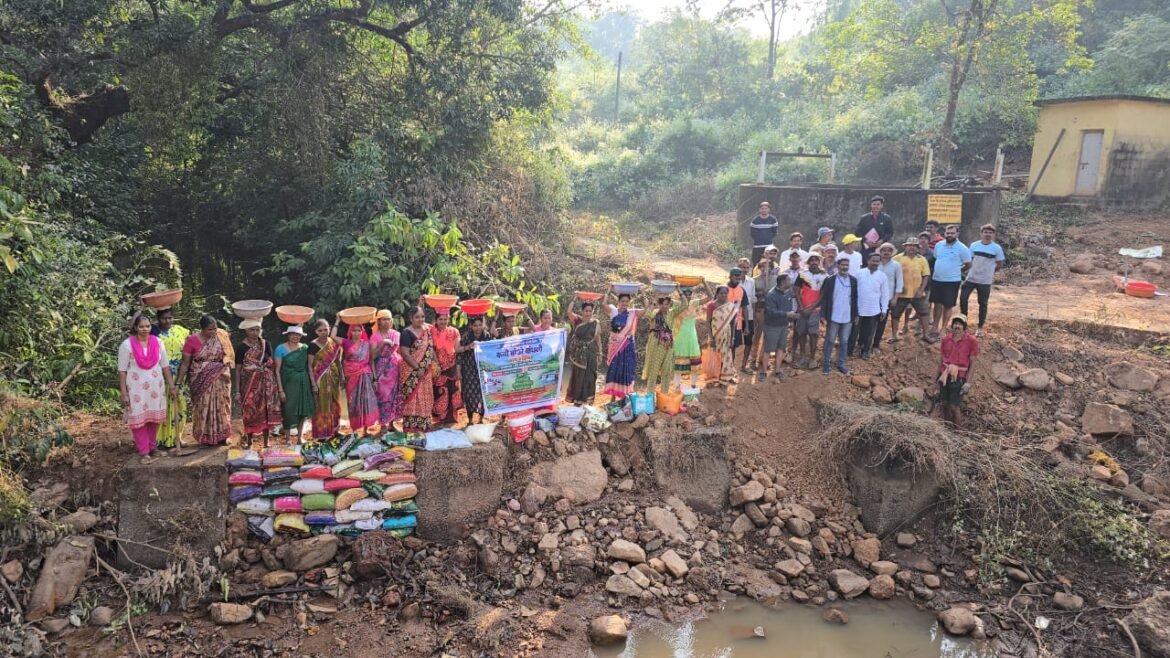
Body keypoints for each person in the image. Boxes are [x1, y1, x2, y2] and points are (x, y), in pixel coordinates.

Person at [119, 312, 175, 464]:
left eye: (148, 326)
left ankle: (153, 447)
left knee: (154, 418)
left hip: (156, 388)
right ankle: (144, 451)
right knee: (139, 419)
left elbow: (165, 366)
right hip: (136, 389)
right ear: (136, 328)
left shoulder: (158, 342)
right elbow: (122, 371)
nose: (145, 329)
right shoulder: (127, 345)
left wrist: (172, 386)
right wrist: (124, 394)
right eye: (141, 326)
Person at [177, 315, 234, 447]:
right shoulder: (191, 341)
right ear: (202, 329)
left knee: (222, 405)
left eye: (215, 329)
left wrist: (221, 365)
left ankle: (224, 435)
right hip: (199, 377)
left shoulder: (221, 336)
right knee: (203, 407)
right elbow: (185, 364)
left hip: (220, 376)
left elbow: (229, 355)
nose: (213, 332)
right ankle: (204, 437)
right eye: (209, 330)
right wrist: (178, 382)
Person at [234, 319, 281, 447]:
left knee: (266, 411)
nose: (255, 333)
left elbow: (271, 363)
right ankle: (249, 441)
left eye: (257, 330)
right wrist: (237, 391)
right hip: (248, 385)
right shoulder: (241, 347)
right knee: (249, 412)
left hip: (266, 384)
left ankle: (266, 441)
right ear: (246, 331)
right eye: (252, 330)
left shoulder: (265, 344)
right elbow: (238, 370)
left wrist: (266, 367)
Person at [932, 314, 978, 427]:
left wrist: (967, 382)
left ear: (964, 326)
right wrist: (935, 381)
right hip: (945, 374)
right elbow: (941, 361)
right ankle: (947, 430)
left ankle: (958, 431)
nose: (957, 326)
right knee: (946, 404)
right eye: (955, 323)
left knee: (954, 406)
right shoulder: (946, 339)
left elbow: (973, 363)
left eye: (960, 324)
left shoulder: (971, 341)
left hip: (959, 376)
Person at [153, 307, 188, 450]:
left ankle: (177, 437)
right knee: (161, 406)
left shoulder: (181, 331)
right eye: (164, 318)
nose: (167, 321)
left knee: (180, 405)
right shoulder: (153, 333)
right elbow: (132, 328)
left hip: (179, 374)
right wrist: (141, 308)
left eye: (170, 318)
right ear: (158, 319)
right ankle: (159, 439)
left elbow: (187, 352)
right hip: (159, 375)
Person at [960, 224, 1005, 337]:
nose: (988, 234)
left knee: (983, 304)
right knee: (963, 298)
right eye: (985, 232)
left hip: (985, 281)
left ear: (993, 234)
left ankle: (980, 327)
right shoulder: (974, 245)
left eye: (990, 232)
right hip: (971, 278)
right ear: (981, 233)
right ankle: (963, 322)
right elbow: (968, 260)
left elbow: (999, 264)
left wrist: (989, 272)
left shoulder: (997, 248)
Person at [399, 306, 439, 433]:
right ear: (411, 318)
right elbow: (405, 353)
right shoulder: (406, 333)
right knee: (413, 398)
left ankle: (424, 425)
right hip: (411, 372)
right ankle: (411, 427)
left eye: (422, 316)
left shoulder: (426, 331)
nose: (420, 319)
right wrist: (417, 368)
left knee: (426, 396)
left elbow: (430, 348)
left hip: (425, 372)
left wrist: (436, 363)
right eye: (417, 317)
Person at [816, 257, 858, 375]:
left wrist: (856, 314)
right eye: (842, 265)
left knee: (844, 341)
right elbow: (824, 298)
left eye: (846, 265)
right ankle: (826, 364)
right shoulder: (830, 280)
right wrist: (823, 315)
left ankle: (841, 364)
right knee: (830, 340)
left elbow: (855, 298)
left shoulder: (853, 281)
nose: (844, 267)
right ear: (837, 266)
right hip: (833, 315)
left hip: (848, 316)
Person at [929, 224, 972, 341]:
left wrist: (956, 271)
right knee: (937, 304)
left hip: (952, 281)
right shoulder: (938, 245)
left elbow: (968, 264)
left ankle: (943, 328)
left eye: (952, 233)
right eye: (948, 233)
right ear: (944, 234)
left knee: (948, 305)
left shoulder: (962, 248)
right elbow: (936, 259)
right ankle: (934, 327)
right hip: (937, 279)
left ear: (957, 234)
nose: (950, 235)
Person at [337, 323, 379, 435]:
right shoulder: (346, 343)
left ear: (362, 332)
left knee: (366, 401)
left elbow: (371, 361)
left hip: (366, 375)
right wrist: (337, 321)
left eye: (358, 330)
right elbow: (332, 336)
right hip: (351, 376)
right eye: (354, 330)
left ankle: (365, 430)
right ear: (350, 332)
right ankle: (355, 430)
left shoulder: (367, 344)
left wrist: (375, 379)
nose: (356, 333)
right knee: (353, 403)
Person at [274, 325, 314, 441]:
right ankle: (287, 438)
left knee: (302, 410)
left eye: (298, 334)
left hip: (303, 382)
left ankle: (299, 437)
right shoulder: (280, 348)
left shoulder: (305, 348)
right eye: (292, 334)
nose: (295, 336)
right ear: (288, 335)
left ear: (301, 336)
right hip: (288, 383)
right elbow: (277, 370)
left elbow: (310, 365)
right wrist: (280, 390)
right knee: (288, 410)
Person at [307, 319, 344, 439]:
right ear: (316, 332)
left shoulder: (333, 343)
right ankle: (321, 433)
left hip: (334, 378)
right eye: (320, 330)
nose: (323, 332)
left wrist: (342, 376)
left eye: (326, 329)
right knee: (321, 405)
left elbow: (338, 361)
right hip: (320, 379)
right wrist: (313, 384)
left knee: (335, 403)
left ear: (330, 328)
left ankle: (335, 430)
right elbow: (310, 365)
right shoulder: (312, 345)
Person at [891, 238, 933, 342]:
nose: (912, 248)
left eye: (914, 246)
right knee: (895, 315)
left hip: (917, 293)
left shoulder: (922, 259)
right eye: (909, 245)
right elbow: (892, 275)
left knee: (924, 313)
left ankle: (926, 334)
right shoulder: (897, 259)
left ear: (918, 248)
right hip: (901, 293)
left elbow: (926, 276)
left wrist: (921, 290)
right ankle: (894, 336)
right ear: (905, 246)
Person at [853, 253, 890, 360]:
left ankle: (865, 351)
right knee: (856, 330)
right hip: (859, 309)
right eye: (873, 261)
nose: (875, 263)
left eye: (877, 261)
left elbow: (885, 294)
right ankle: (856, 347)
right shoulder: (859, 273)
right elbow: (853, 291)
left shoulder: (882, 276)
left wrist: (884, 310)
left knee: (870, 332)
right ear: (868, 261)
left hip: (873, 309)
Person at [603, 291, 641, 398]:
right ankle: (613, 396)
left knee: (626, 368)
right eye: (622, 301)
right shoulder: (613, 311)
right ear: (618, 302)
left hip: (627, 345)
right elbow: (603, 304)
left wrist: (642, 292)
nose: (624, 303)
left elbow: (646, 310)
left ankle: (624, 395)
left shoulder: (632, 313)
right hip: (615, 344)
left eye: (627, 301)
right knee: (614, 368)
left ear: (629, 302)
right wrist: (609, 290)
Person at [371, 310, 404, 428]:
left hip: (395, 367)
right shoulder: (375, 336)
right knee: (383, 395)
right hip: (381, 368)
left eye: (388, 319)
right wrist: (382, 343)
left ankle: (391, 423)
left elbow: (401, 351)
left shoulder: (396, 334)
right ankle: (383, 424)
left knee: (394, 394)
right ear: (378, 322)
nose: (386, 322)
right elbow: (373, 355)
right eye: (383, 319)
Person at [566, 297, 603, 404]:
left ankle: (588, 400)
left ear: (593, 312)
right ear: (582, 311)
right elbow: (569, 311)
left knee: (590, 376)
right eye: (586, 311)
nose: (588, 313)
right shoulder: (577, 320)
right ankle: (578, 400)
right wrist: (575, 297)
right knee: (579, 376)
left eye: (590, 311)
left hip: (591, 353)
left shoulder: (595, 323)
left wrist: (600, 353)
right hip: (579, 355)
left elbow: (598, 339)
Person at [793, 254, 827, 369]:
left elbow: (823, 294)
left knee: (813, 334)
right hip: (802, 310)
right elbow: (796, 291)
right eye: (811, 260)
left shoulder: (825, 276)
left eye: (816, 260)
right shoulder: (802, 275)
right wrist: (802, 307)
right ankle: (802, 357)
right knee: (801, 333)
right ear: (808, 262)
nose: (813, 262)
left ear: (819, 262)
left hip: (815, 310)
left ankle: (812, 358)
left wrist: (811, 307)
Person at [762, 274, 799, 382]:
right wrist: (788, 314)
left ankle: (777, 370)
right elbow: (771, 312)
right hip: (772, 326)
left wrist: (791, 319)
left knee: (781, 348)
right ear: (783, 283)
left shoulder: (788, 293)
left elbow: (789, 309)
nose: (790, 282)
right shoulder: (771, 295)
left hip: (783, 325)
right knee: (768, 349)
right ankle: (764, 371)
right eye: (788, 280)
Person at [670, 286, 706, 390]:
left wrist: (703, 283)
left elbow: (711, 296)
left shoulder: (694, 303)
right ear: (681, 295)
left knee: (694, 361)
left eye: (689, 293)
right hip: (679, 337)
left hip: (691, 336)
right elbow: (661, 298)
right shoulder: (676, 304)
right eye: (685, 293)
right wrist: (675, 288)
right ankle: (677, 386)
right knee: (678, 361)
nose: (688, 295)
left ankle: (693, 386)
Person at [457, 315, 492, 424]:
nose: (477, 328)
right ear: (471, 326)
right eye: (475, 325)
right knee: (469, 395)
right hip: (468, 371)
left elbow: (492, 351)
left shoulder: (486, 336)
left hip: (482, 371)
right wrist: (468, 347)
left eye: (480, 325)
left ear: (483, 325)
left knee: (482, 395)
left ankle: (481, 419)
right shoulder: (466, 337)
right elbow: (459, 355)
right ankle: (470, 420)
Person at [431, 309, 463, 426]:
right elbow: (430, 347)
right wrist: (436, 363)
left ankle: (450, 419)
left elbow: (458, 348)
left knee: (452, 391)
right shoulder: (431, 331)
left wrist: (468, 347)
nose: (443, 322)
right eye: (440, 319)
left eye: (445, 319)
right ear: (436, 320)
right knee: (440, 392)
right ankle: (439, 418)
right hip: (438, 367)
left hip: (451, 366)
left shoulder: (454, 331)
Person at [706, 285, 741, 386]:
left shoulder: (730, 306)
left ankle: (727, 376)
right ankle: (714, 378)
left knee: (727, 356)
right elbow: (708, 322)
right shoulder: (711, 305)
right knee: (715, 356)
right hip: (715, 335)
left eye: (725, 293)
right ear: (717, 294)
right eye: (721, 293)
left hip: (727, 335)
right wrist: (711, 337)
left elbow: (732, 323)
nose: (723, 295)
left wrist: (733, 337)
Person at [872, 243, 904, 351]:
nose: (886, 252)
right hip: (873, 297)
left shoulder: (896, 265)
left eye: (889, 251)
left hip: (887, 298)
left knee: (881, 322)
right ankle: (865, 343)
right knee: (870, 321)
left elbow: (899, 282)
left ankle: (876, 345)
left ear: (891, 253)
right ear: (880, 252)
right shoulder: (875, 264)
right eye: (884, 250)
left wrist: (895, 297)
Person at [642, 296, 674, 394]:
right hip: (656, 344)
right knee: (653, 371)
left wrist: (679, 290)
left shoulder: (672, 313)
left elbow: (685, 304)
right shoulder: (655, 313)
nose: (664, 306)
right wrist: (652, 303)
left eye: (667, 304)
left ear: (669, 304)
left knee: (667, 371)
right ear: (659, 305)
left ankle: (664, 396)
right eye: (662, 304)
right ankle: (650, 396)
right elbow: (647, 315)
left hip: (668, 345)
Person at [735, 258, 757, 373]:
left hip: (749, 316)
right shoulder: (734, 282)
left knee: (749, 341)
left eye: (747, 267)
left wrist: (754, 316)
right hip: (735, 316)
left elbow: (753, 299)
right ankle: (731, 367)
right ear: (738, 267)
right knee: (733, 342)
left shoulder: (751, 281)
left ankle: (744, 365)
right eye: (743, 267)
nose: (745, 269)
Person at [856, 195, 895, 261]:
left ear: (881, 206)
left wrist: (882, 240)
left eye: (878, 204)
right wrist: (865, 240)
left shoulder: (887, 218)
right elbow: (858, 232)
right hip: (867, 248)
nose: (876, 206)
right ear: (871, 205)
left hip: (881, 248)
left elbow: (890, 233)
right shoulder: (864, 218)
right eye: (874, 204)